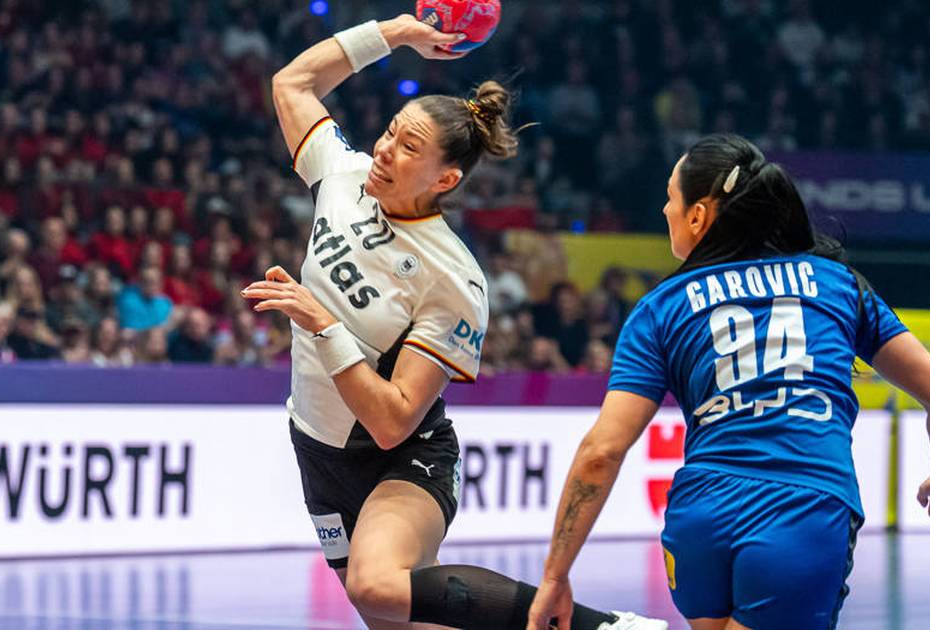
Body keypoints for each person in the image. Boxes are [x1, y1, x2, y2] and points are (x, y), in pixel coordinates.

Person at [242, 13, 665, 630]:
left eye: (408, 147)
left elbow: (392, 422)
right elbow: (292, 84)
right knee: (397, 613)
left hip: (403, 459)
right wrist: (394, 33)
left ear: (445, 179)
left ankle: (603, 627)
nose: (384, 149)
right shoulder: (342, 174)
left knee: (375, 585)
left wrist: (323, 325)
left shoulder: (454, 278)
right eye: (390, 131)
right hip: (317, 450)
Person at [528, 134, 930, 630]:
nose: (664, 209)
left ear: (697, 216)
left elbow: (602, 452)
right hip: (802, 511)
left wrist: (555, 575)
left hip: (699, 519)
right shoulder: (837, 284)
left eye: (670, 197)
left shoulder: (658, 308)